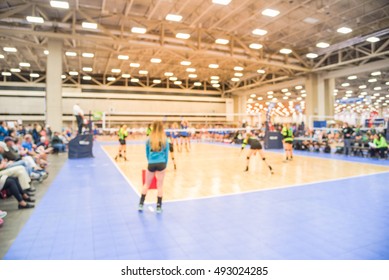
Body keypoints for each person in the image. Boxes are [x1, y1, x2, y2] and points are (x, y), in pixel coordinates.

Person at [138, 121, 169, 213]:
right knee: (160, 186)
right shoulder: (164, 139)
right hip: (162, 163)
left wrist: (150, 161)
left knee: (146, 184)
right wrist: (165, 164)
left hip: (151, 163)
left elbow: (147, 153)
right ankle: (159, 207)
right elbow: (166, 154)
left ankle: (140, 204)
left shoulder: (149, 139)